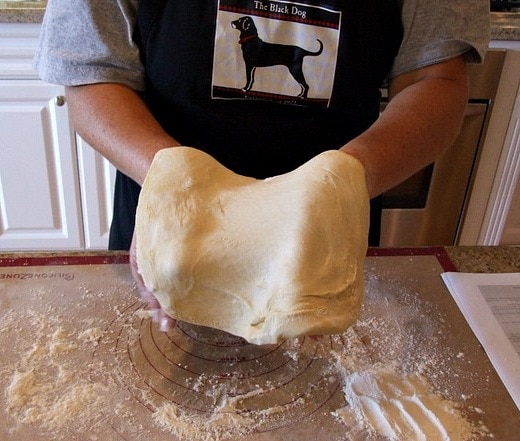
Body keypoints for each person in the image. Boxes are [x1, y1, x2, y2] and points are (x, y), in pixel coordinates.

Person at [34, 0, 490, 331]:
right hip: (174, 216)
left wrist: (341, 181)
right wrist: (173, 181)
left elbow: (437, 78)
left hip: (322, 220)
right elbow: (93, 76)